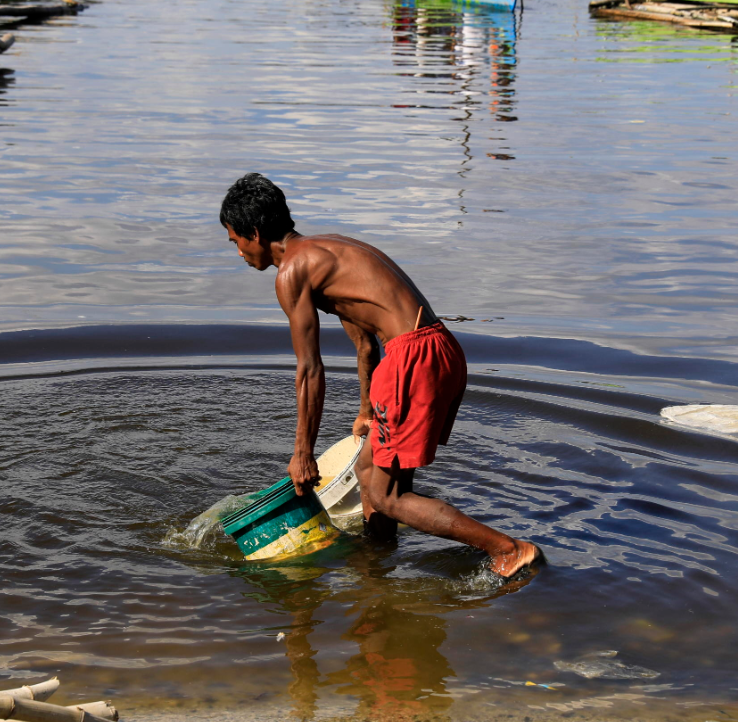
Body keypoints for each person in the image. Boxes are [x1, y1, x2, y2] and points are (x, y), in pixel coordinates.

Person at [219, 173, 543, 579]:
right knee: (368, 473)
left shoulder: (292, 272)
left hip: (413, 358)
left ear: (253, 232)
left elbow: (309, 369)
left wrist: (303, 453)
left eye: (235, 241)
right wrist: (367, 410)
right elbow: (365, 344)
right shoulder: (328, 249)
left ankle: (509, 550)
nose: (238, 253)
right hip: (437, 347)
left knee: (386, 496)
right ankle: (377, 567)